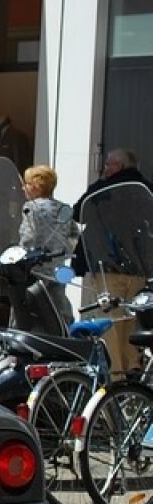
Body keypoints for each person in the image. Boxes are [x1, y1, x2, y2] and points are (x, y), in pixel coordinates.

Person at [72, 148, 153, 374]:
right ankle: (133, 367)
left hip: (107, 264)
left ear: (118, 166)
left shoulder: (103, 190)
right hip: (138, 269)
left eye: (108, 164)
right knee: (132, 319)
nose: (104, 168)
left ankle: (115, 374)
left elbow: (78, 213)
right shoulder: (145, 188)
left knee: (110, 320)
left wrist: (99, 184)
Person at [18, 164, 79, 326]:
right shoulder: (63, 208)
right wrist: (63, 251)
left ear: (36, 187)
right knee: (58, 311)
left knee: (25, 312)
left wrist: (19, 257)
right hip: (56, 268)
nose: (23, 187)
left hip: (34, 269)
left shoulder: (31, 207)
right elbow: (75, 234)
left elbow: (27, 239)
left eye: (27, 184)